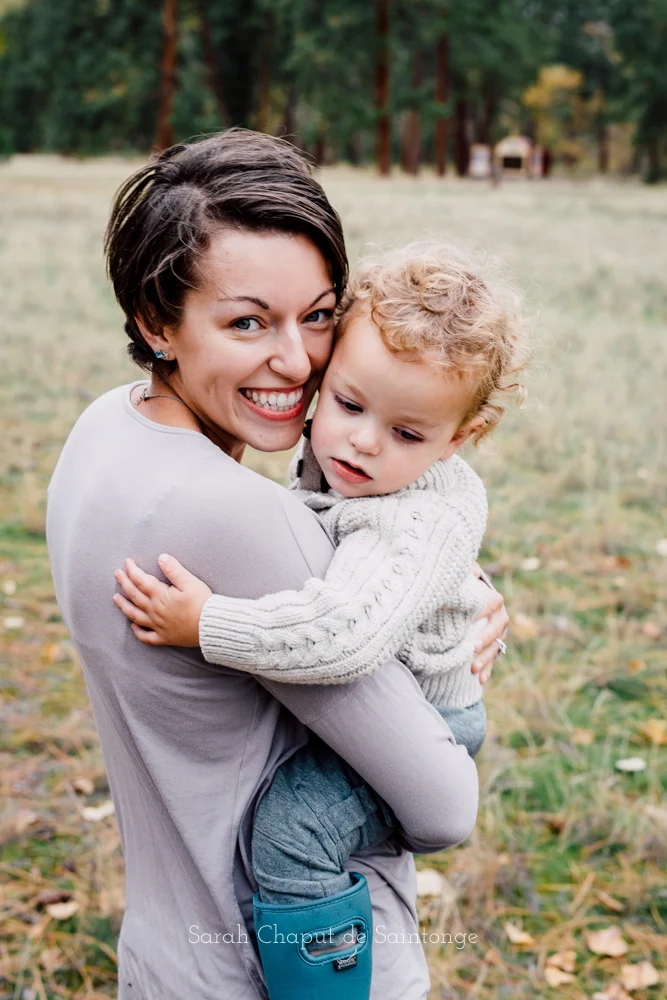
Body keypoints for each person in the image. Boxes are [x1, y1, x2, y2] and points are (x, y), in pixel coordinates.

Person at [46, 130, 509, 1000]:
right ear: (155, 321)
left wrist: (445, 597)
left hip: (165, 956)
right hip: (286, 972)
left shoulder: (104, 430)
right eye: (247, 322)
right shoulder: (239, 517)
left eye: (319, 315)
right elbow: (445, 804)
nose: (296, 362)